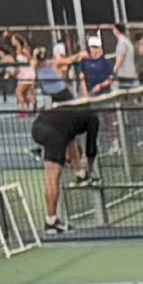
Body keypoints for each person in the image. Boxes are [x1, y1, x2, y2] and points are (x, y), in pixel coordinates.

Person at [27, 91, 102, 234]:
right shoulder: (92, 118)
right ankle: (51, 222)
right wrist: (90, 169)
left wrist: (80, 171)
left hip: (37, 127)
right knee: (52, 177)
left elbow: (71, 140)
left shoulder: (72, 113)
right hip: (53, 134)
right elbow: (91, 149)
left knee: (66, 142)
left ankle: (79, 174)